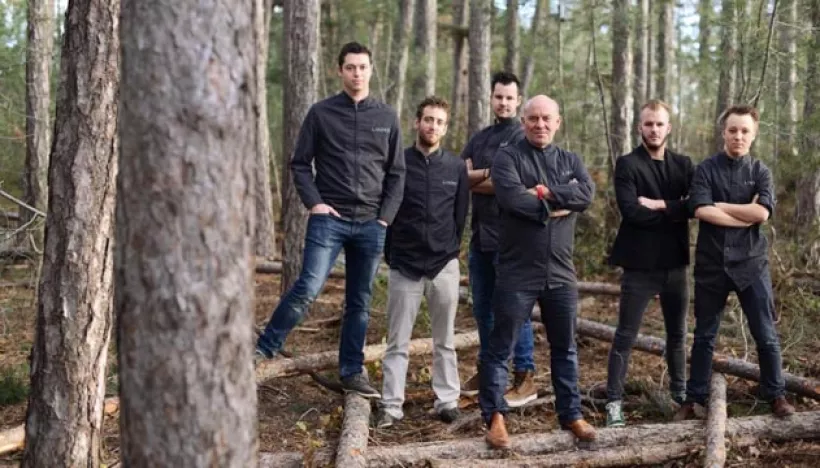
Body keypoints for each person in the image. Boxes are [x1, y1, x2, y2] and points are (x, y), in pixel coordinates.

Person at [255, 42, 405, 399]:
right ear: (339, 71)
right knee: (308, 287)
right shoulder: (321, 113)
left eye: (362, 67)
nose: (357, 73)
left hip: (370, 224)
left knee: (359, 302)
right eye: (350, 67)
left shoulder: (386, 117)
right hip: (329, 220)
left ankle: (351, 372)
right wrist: (315, 203)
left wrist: (384, 219)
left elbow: (397, 173)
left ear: (371, 70)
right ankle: (262, 348)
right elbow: (299, 163)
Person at [480, 95, 596, 449]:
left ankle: (571, 414)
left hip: (560, 272)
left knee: (565, 347)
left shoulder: (570, 160)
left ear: (558, 122)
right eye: (533, 118)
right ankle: (495, 417)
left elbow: (585, 194)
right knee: (501, 347)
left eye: (547, 118)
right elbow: (513, 199)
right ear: (523, 122)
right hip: (517, 271)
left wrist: (543, 193)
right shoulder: (508, 158)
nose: (540, 125)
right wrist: (559, 203)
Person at [673, 105, 795, 421]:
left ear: (753, 135)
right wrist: (744, 215)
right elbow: (701, 210)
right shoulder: (706, 169)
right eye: (732, 130)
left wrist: (722, 206)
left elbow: (762, 213)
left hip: (752, 265)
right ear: (724, 133)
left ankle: (776, 394)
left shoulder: (761, 172)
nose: (738, 136)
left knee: (765, 333)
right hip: (711, 265)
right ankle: (693, 399)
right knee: (704, 336)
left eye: (744, 131)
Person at [375, 96, 469, 428]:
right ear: (417, 122)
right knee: (397, 341)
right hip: (405, 266)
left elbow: (460, 217)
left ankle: (447, 401)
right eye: (428, 119)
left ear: (445, 128)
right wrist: (393, 256)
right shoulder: (397, 163)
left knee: (445, 339)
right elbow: (387, 211)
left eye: (439, 122)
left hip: (444, 265)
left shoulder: (456, 167)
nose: (433, 126)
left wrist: (448, 251)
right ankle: (391, 406)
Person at [604, 100, 694, 427]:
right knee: (625, 335)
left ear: (669, 127)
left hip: (675, 265)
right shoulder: (628, 164)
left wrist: (659, 205)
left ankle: (680, 394)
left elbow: (695, 205)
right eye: (648, 124)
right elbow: (631, 212)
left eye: (659, 124)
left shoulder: (683, 165)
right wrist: (675, 211)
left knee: (677, 334)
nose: (654, 130)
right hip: (639, 265)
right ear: (639, 127)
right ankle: (614, 402)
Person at [460, 71, 538, 408]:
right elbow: (460, 177)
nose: (503, 103)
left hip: (512, 239)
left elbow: (515, 185)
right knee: (483, 309)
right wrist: (491, 176)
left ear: (518, 101)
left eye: (509, 98)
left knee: (514, 310)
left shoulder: (524, 138)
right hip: (481, 238)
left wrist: (481, 179)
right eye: (498, 97)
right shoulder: (480, 139)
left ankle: (525, 375)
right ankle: (490, 370)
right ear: (491, 98)